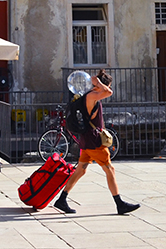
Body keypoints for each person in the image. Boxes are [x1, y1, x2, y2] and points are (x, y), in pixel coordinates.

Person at [54, 70, 140, 216]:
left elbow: (106, 92)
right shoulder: (92, 95)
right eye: (107, 85)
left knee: (81, 170)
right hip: (94, 142)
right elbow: (109, 92)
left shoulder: (89, 95)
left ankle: (62, 199)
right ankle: (120, 204)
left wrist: (98, 84)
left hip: (87, 140)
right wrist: (98, 83)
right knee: (110, 170)